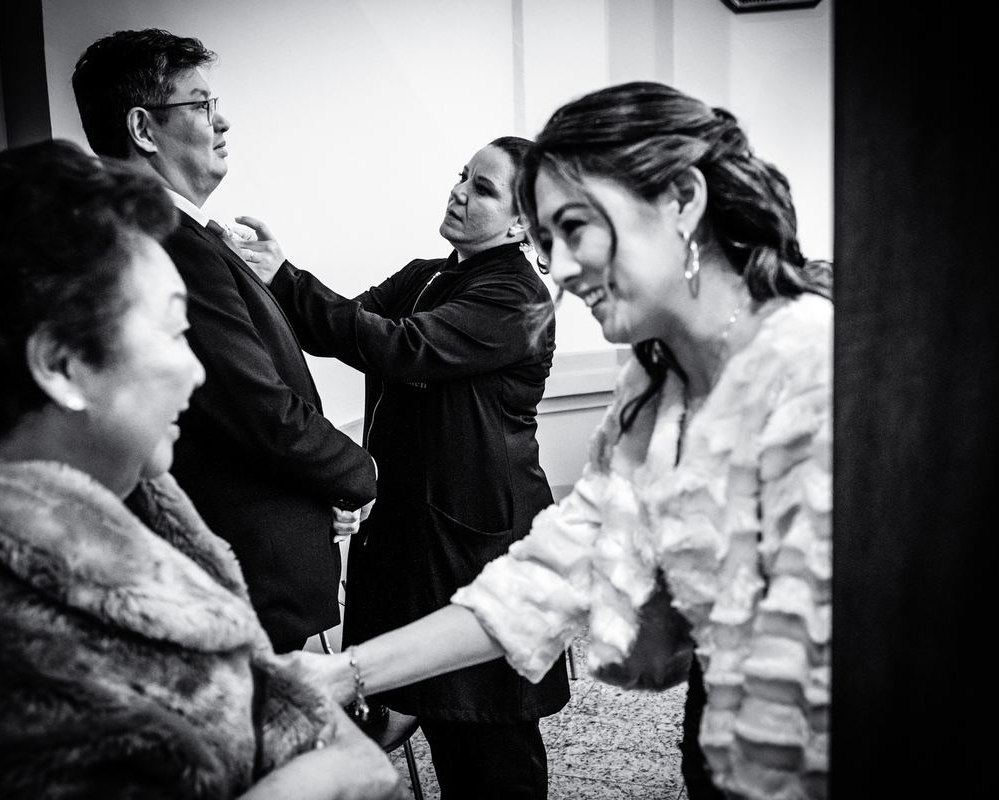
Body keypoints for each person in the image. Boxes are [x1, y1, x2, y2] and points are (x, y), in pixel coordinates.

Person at [297, 82, 832, 800]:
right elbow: (550, 577)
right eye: (548, 237)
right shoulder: (653, 387)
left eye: (575, 229)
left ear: (682, 202)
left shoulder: (818, 368)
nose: (564, 269)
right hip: (729, 723)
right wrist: (348, 672)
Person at [0, 140, 402, 799]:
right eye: (172, 331)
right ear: (63, 363)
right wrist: (326, 778)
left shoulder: (136, 510)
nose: (195, 370)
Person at [243, 137, 570, 800]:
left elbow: (399, 348)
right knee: (432, 696)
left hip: (479, 537)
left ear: (519, 223)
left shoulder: (517, 298)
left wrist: (286, 277)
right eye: (461, 176)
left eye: (481, 187)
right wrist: (251, 277)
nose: (457, 192)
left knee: (487, 723)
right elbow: (339, 325)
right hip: (411, 525)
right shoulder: (428, 273)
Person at [71, 29, 377, 654]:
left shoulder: (173, 231)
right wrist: (357, 469)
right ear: (143, 127)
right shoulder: (171, 239)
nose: (222, 121)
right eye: (201, 104)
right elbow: (250, 401)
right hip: (239, 553)